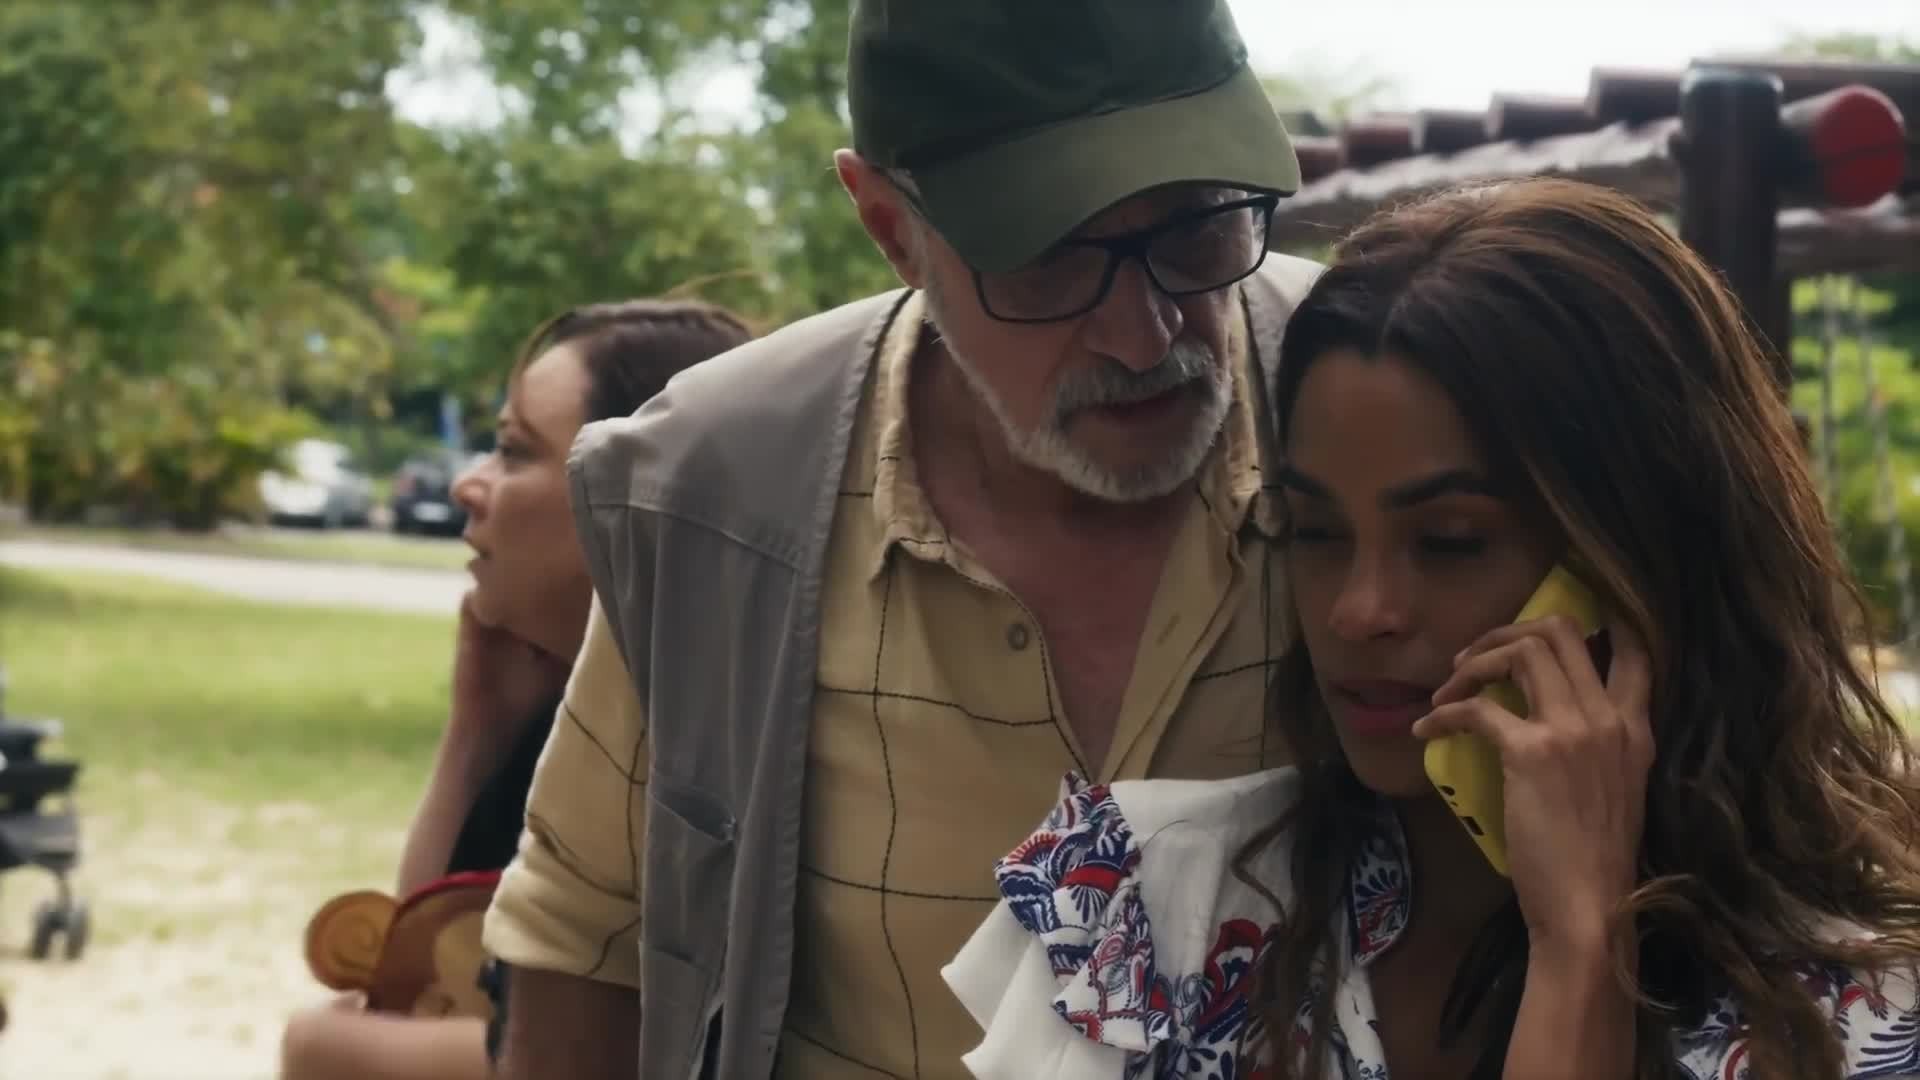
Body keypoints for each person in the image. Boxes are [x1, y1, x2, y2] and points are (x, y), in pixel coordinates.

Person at [479, 1, 1328, 1076]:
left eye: (1197, 228)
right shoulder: (721, 491)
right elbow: (583, 941)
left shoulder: (1378, 406)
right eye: (1050, 258)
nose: (1144, 331)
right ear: (891, 228)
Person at [946, 177, 1920, 1079]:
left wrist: (1582, 946)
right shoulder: (1141, 895)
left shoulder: (1865, 1013)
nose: (1357, 609)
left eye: (1451, 541)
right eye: (1316, 531)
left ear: (1639, 563)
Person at [275, 298, 753, 1080]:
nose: (468, 485)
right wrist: (476, 735)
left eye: (511, 450)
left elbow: (616, 1052)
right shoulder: (559, 713)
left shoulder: (710, 762)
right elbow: (431, 969)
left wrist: (326, 1049)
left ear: (637, 492)